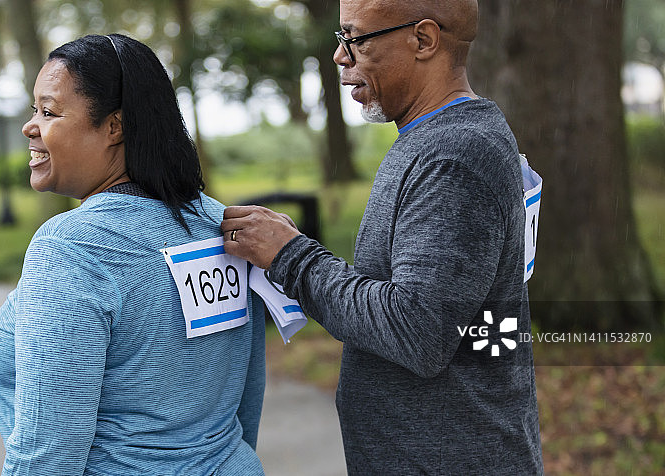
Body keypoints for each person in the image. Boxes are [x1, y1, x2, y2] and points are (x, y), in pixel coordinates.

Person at [221, 0, 543, 474]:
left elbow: (417, 331)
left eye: (355, 38)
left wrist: (290, 257)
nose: (340, 56)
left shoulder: (454, 156)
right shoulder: (440, 136)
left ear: (423, 40)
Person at [0, 34, 266, 475]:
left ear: (115, 126)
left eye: (49, 112)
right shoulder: (223, 224)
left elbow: (49, 453)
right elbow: (245, 401)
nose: (30, 126)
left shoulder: (72, 248)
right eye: (34, 110)